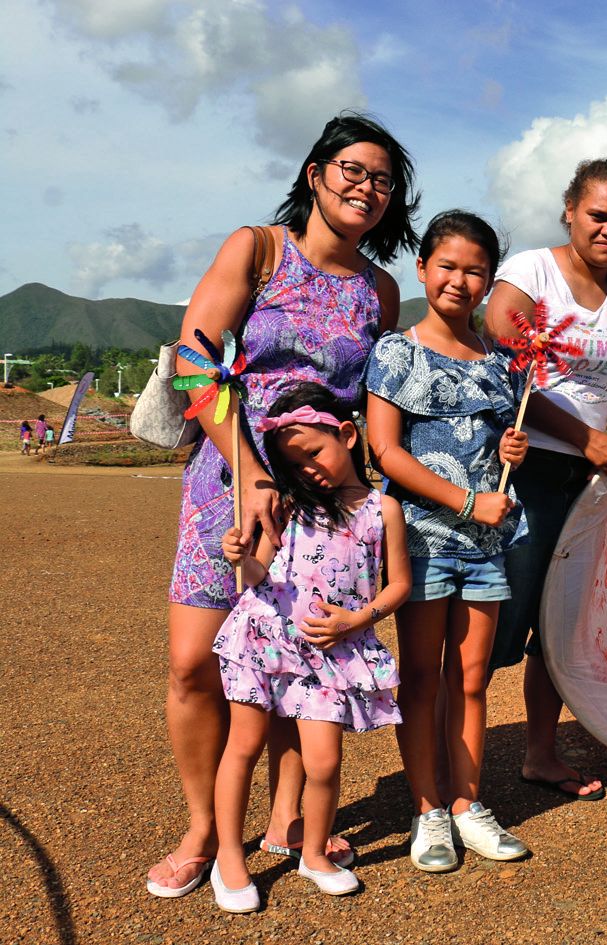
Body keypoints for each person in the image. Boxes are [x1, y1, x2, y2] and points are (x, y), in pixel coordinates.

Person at [148, 113, 418, 899]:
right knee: (194, 661)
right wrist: (247, 466)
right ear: (314, 173)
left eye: (382, 179)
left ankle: (284, 817)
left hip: (323, 501)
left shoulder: (380, 289)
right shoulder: (257, 249)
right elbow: (197, 358)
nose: (366, 188)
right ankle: (204, 828)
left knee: (301, 656)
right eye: (352, 170)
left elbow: (368, 405)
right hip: (225, 481)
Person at [483, 158, 607, 802]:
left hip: (593, 478)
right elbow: (503, 362)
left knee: (561, 620)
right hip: (522, 462)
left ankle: (539, 753)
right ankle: (458, 766)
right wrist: (585, 435)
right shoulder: (530, 272)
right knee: (500, 613)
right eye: (598, 215)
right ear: (569, 210)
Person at [365, 210, 532, 872]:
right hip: (421, 542)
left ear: (489, 279)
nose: (459, 280)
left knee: (470, 679)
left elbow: (497, 445)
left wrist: (510, 446)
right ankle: (428, 809)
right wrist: (465, 499)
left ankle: (467, 805)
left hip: (485, 546)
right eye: (448, 266)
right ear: (423, 268)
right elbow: (385, 451)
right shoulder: (395, 352)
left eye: (475, 270)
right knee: (420, 677)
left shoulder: (500, 364)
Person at [209, 384, 410, 912]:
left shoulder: (383, 509)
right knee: (244, 746)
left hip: (331, 652)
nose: (309, 470)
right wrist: (240, 557)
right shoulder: (291, 506)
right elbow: (259, 574)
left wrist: (358, 619)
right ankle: (229, 855)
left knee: (323, 762)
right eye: (294, 464)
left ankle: (314, 853)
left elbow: (397, 586)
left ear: (347, 433)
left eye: (315, 453)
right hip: (264, 638)